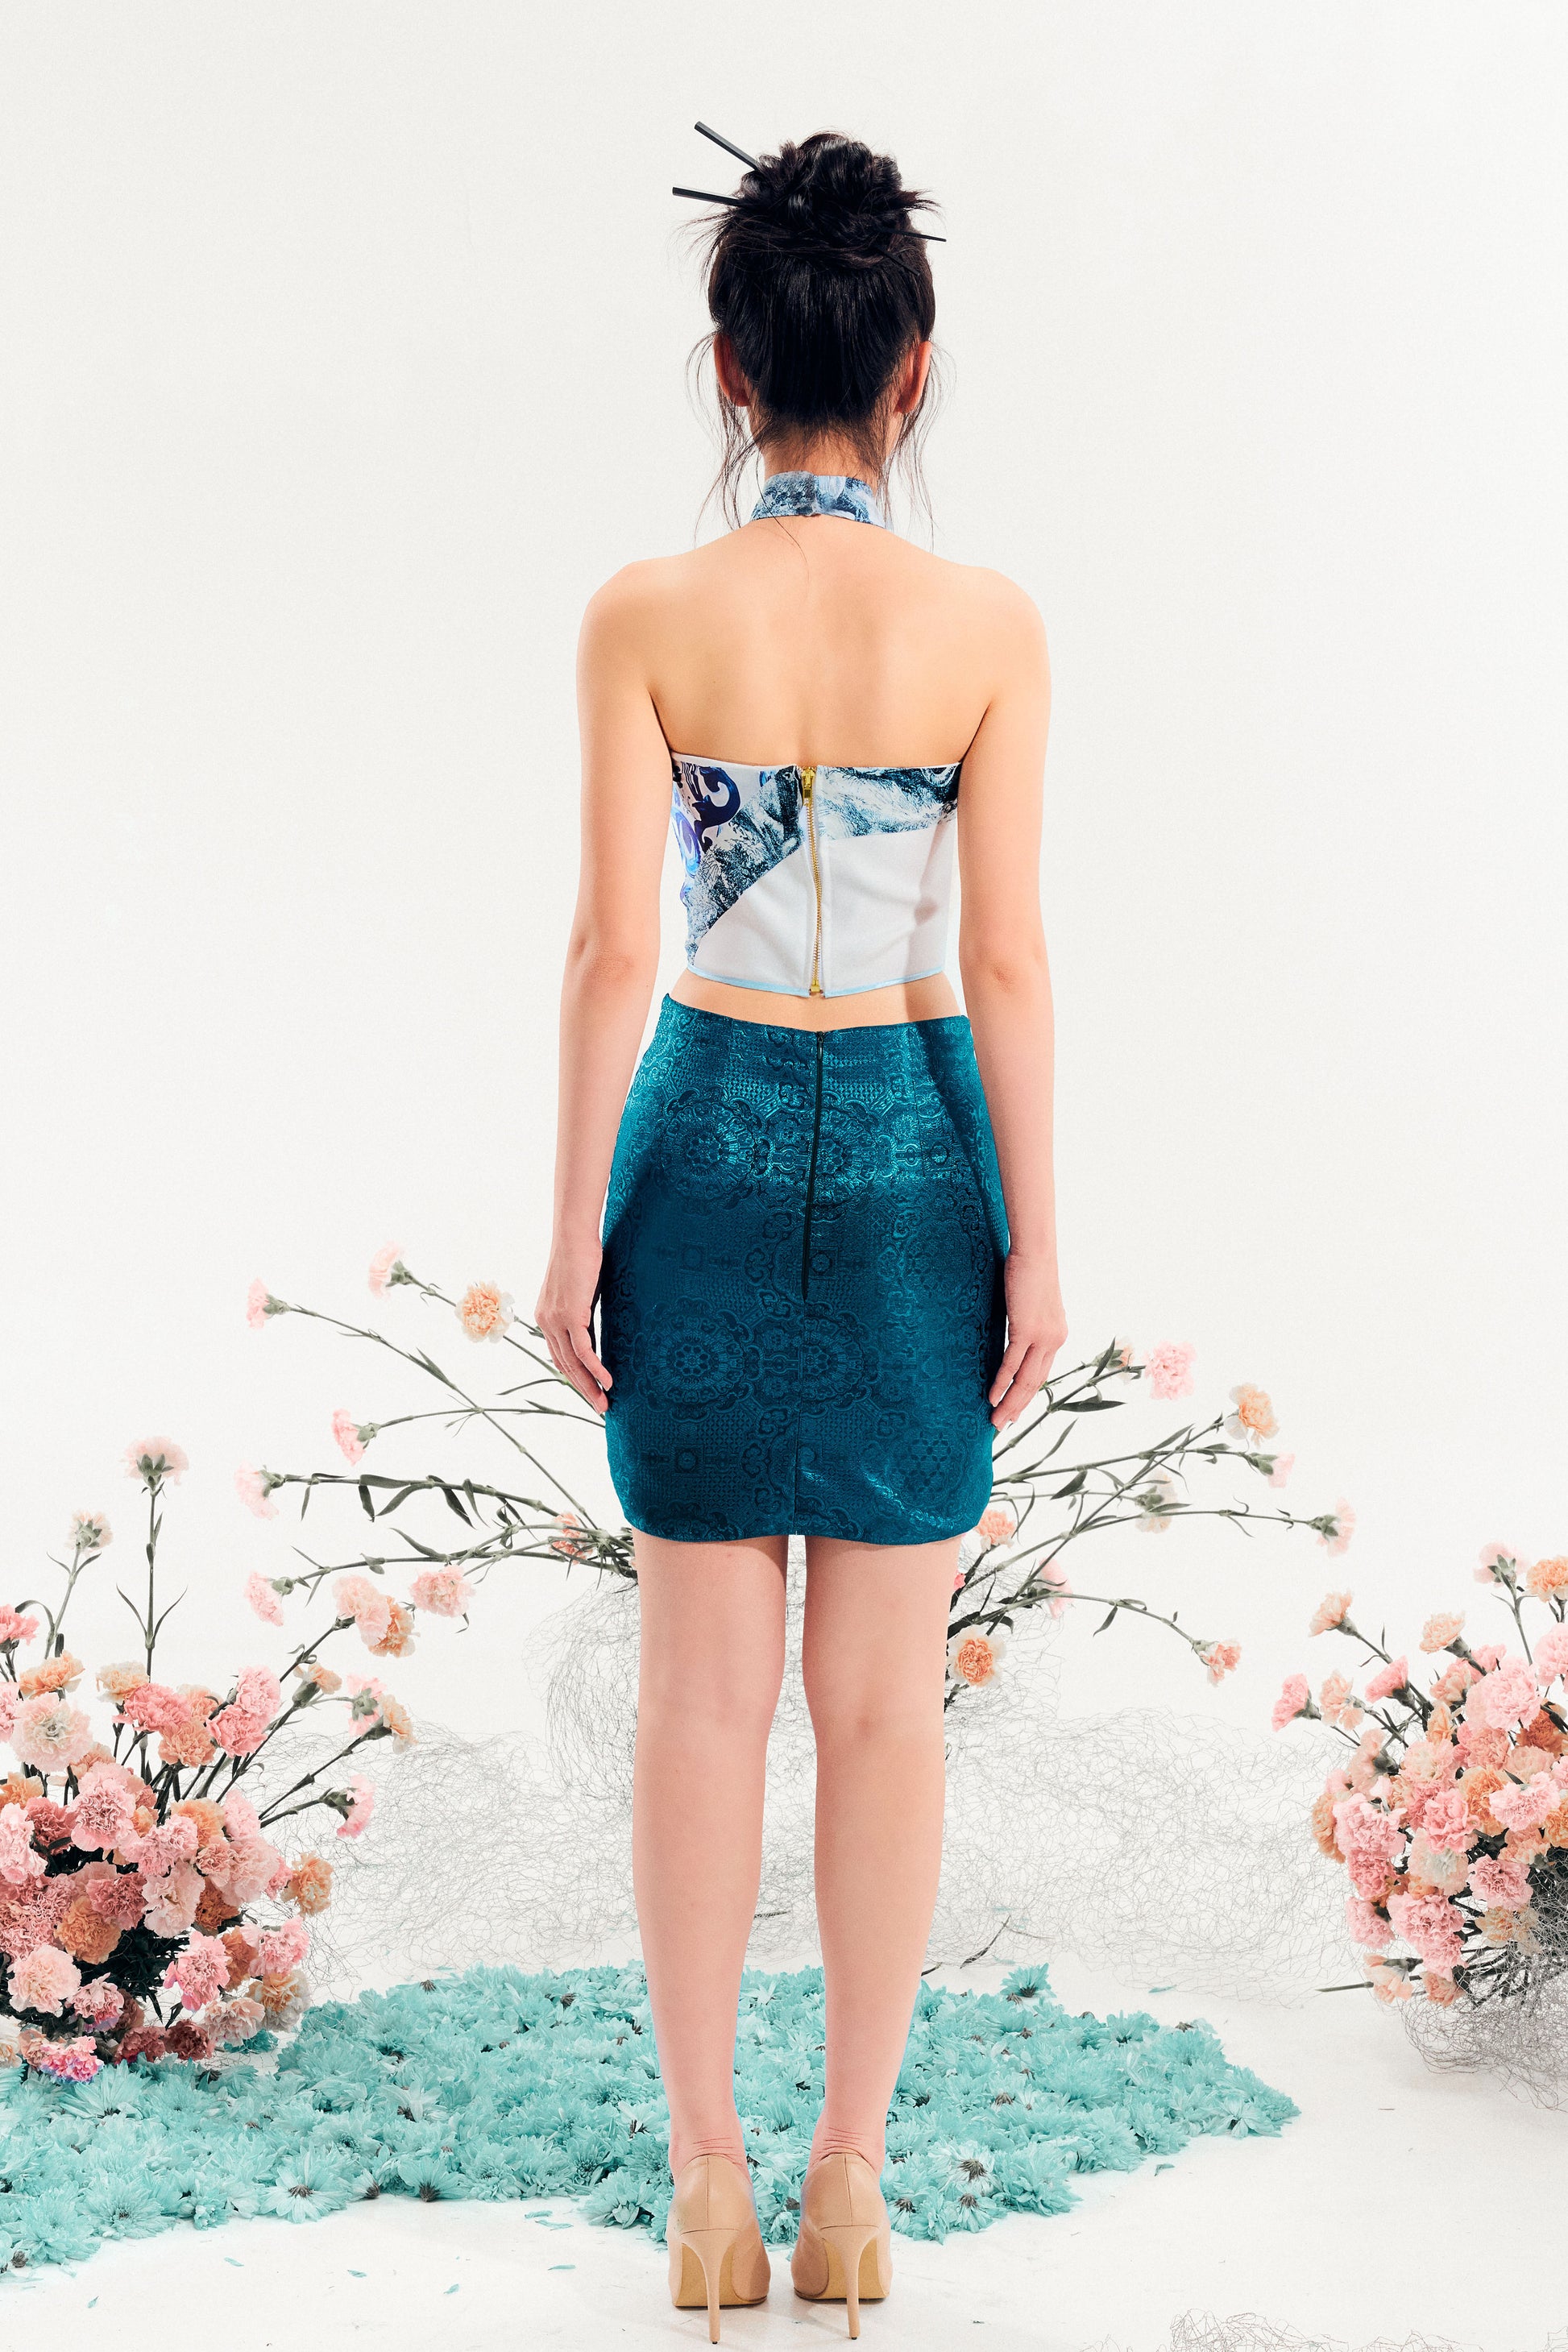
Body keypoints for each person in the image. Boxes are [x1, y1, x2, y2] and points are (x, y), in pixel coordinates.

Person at [537, 127, 1064, 2342]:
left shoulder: (647, 615)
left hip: (709, 1147)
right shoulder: (984, 626)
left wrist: (570, 1236)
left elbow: (607, 954)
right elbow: (1007, 959)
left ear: (731, 363)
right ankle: (852, 2183)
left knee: (698, 1696)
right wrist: (1037, 1246)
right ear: (910, 374)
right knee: (883, 1709)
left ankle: (707, 2182)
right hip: (924, 1153)